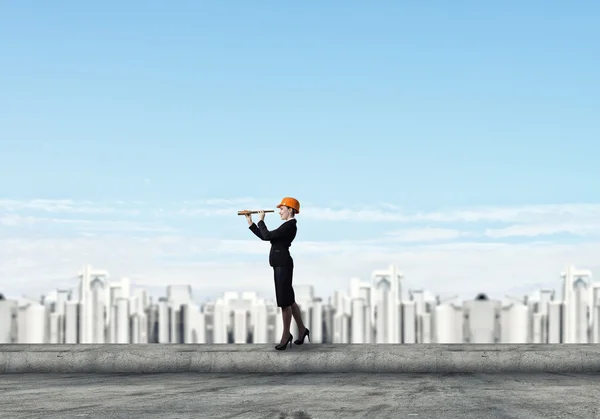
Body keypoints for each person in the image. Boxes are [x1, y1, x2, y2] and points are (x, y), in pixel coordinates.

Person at [244, 197, 310, 350]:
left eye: (282, 208)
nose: (280, 211)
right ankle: (302, 329)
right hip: (280, 265)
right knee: (290, 300)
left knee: (284, 303)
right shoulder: (286, 226)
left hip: (283, 265)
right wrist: (251, 222)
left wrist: (261, 220)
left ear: (290, 210)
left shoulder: (290, 226)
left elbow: (267, 235)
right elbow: (264, 236)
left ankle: (286, 335)